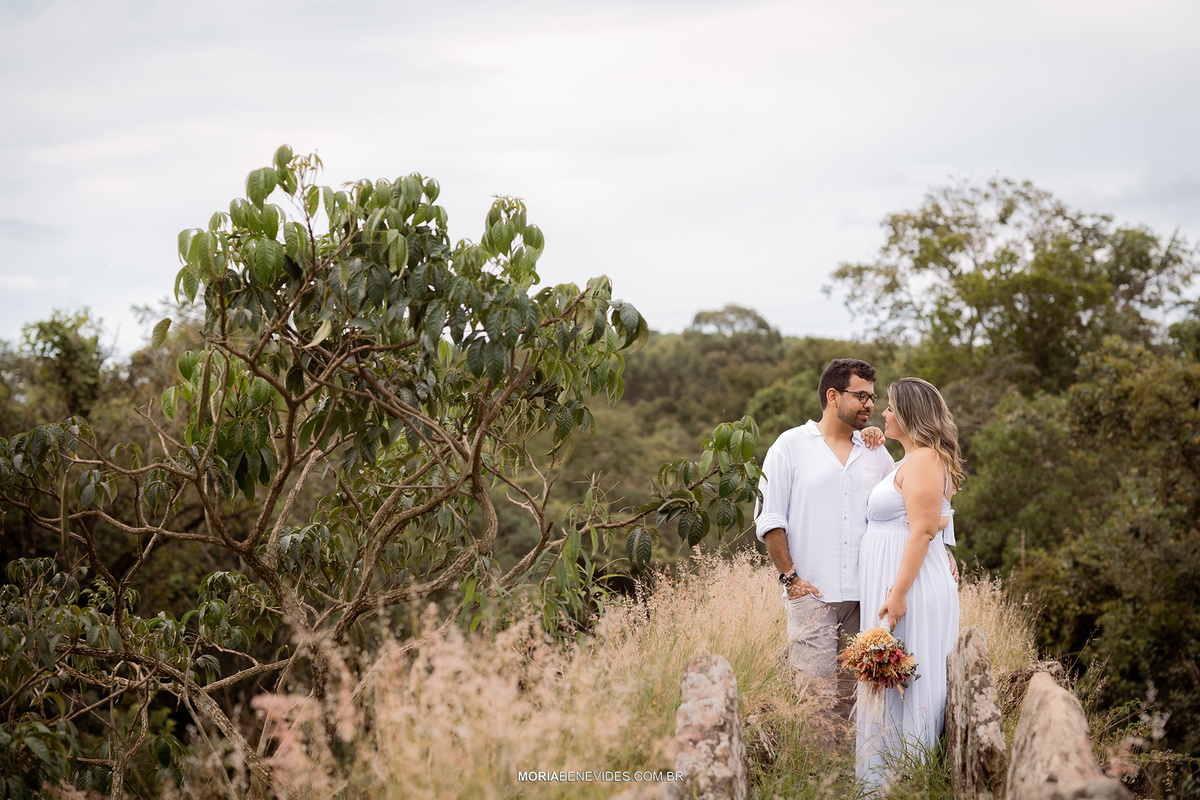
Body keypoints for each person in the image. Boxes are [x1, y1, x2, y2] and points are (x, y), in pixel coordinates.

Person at [754, 359, 896, 725]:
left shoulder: (876, 451)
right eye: (861, 396)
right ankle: (813, 780)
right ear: (833, 396)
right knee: (813, 701)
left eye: (873, 397)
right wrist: (790, 579)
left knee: (854, 702)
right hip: (811, 596)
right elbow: (770, 518)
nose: (870, 404)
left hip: (863, 599)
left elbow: (904, 504)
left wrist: (941, 545)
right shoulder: (790, 445)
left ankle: (848, 782)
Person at [856, 377, 963, 789]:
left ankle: (903, 783)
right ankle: (885, 783)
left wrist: (898, 595)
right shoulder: (911, 460)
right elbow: (935, 519)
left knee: (908, 682)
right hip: (901, 582)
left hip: (910, 588)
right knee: (892, 681)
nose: (883, 412)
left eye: (888, 406)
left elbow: (920, 532)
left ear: (907, 413)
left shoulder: (922, 461)